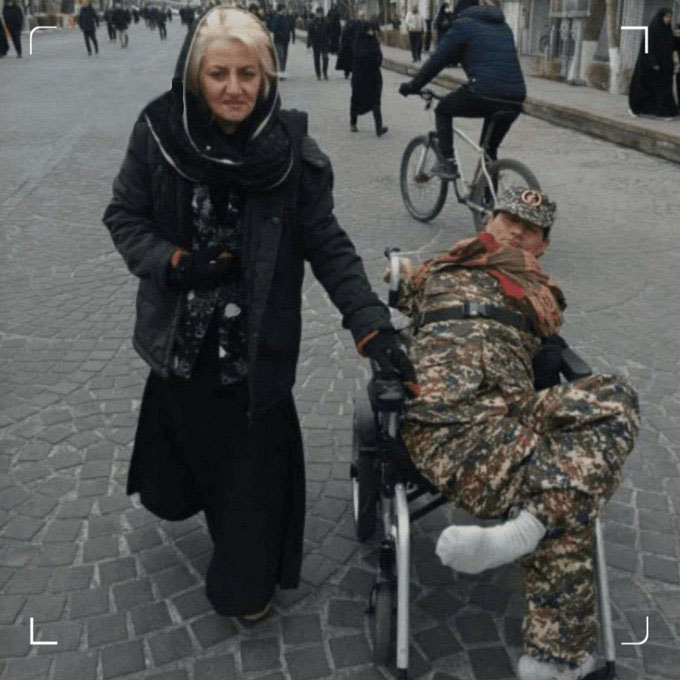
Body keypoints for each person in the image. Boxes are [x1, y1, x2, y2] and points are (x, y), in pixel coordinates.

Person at [102, 6, 415, 622]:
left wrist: (371, 324)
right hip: (182, 342)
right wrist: (174, 262)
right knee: (189, 460)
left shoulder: (290, 150)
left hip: (255, 351)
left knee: (250, 480)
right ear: (196, 76)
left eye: (248, 74)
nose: (234, 88)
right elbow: (125, 217)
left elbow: (327, 244)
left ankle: (244, 580)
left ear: (267, 76)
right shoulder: (159, 131)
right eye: (218, 73)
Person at [389, 186, 639, 680]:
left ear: (542, 244)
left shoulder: (543, 291)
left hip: (515, 411)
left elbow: (551, 334)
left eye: (531, 229)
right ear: (490, 221)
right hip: (446, 415)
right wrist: (399, 276)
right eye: (510, 219)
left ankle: (521, 533)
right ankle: (555, 661)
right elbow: (399, 299)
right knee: (559, 484)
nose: (517, 231)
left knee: (617, 396)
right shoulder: (439, 268)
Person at [399, 0, 525, 179]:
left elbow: (436, 61)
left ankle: (448, 163)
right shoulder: (503, 27)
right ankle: (488, 195)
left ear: (459, 12)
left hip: (483, 92)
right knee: (489, 151)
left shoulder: (462, 25)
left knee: (443, 109)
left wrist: (413, 86)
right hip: (516, 97)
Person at [628, 8, 679, 119]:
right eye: (666, 17)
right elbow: (646, 49)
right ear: (660, 17)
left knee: (663, 91)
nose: (668, 19)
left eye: (670, 17)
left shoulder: (668, 31)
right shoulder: (651, 31)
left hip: (665, 68)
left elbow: (672, 46)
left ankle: (665, 112)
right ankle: (637, 109)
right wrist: (653, 62)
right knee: (645, 89)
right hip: (650, 68)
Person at [350, 20, 387, 137]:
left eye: (373, 30)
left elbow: (379, 58)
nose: (372, 32)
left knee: (375, 101)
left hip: (372, 77)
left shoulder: (372, 42)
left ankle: (378, 127)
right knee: (357, 99)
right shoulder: (359, 43)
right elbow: (361, 57)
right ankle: (353, 122)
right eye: (370, 30)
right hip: (362, 77)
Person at [267, 3, 294, 79]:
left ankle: (282, 72)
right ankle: (280, 73)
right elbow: (272, 28)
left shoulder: (286, 17)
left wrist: (290, 17)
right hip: (279, 40)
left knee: (284, 57)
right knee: (280, 57)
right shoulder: (276, 17)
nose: (286, 10)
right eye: (285, 9)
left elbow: (290, 26)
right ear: (281, 9)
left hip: (286, 40)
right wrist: (280, 33)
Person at [307, 6, 330, 80]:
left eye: (321, 13)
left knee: (325, 58)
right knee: (317, 59)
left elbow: (329, 32)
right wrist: (309, 44)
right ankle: (318, 74)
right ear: (316, 13)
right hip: (316, 43)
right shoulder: (312, 22)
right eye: (318, 13)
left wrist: (329, 40)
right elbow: (310, 34)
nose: (320, 14)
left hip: (325, 43)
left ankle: (325, 72)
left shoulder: (326, 21)